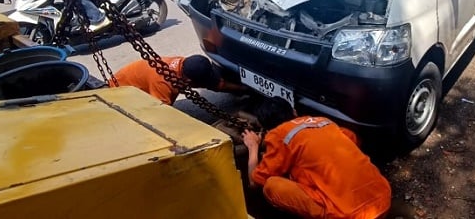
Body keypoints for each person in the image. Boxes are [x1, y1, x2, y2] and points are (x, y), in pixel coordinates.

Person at [242, 97, 392, 219]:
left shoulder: (278, 135)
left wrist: (253, 147)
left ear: (268, 129)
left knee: (271, 185)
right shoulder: (323, 121)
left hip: (349, 215)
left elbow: (255, 182)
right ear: (294, 112)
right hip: (383, 200)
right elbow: (352, 138)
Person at [110, 55, 246, 104]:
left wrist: (244, 89)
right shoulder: (163, 83)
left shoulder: (186, 64)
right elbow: (160, 115)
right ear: (188, 82)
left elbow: (216, 84)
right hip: (118, 94)